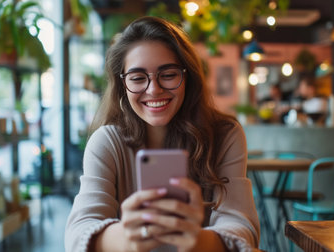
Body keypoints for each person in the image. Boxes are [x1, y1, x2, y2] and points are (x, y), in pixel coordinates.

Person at [65, 16, 260, 252]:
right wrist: (127, 237)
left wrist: (196, 240)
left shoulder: (225, 136)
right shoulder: (107, 142)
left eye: (168, 74)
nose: (154, 89)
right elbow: (77, 234)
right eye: (137, 78)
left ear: (187, 77)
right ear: (122, 85)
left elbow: (242, 227)